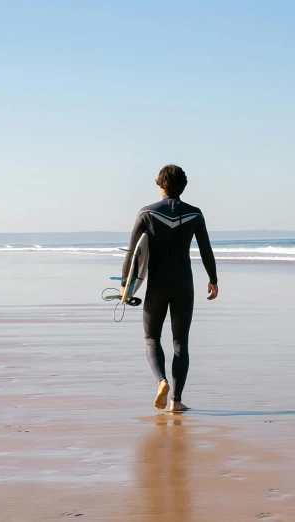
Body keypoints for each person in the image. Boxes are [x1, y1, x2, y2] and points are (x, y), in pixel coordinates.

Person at [121, 164, 218, 412]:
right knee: (180, 342)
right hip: (184, 284)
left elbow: (133, 254)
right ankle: (176, 401)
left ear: (160, 185)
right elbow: (206, 249)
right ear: (183, 186)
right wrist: (213, 279)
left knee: (152, 337)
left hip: (157, 284)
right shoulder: (195, 214)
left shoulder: (146, 213)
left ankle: (161, 381)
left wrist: (125, 286)